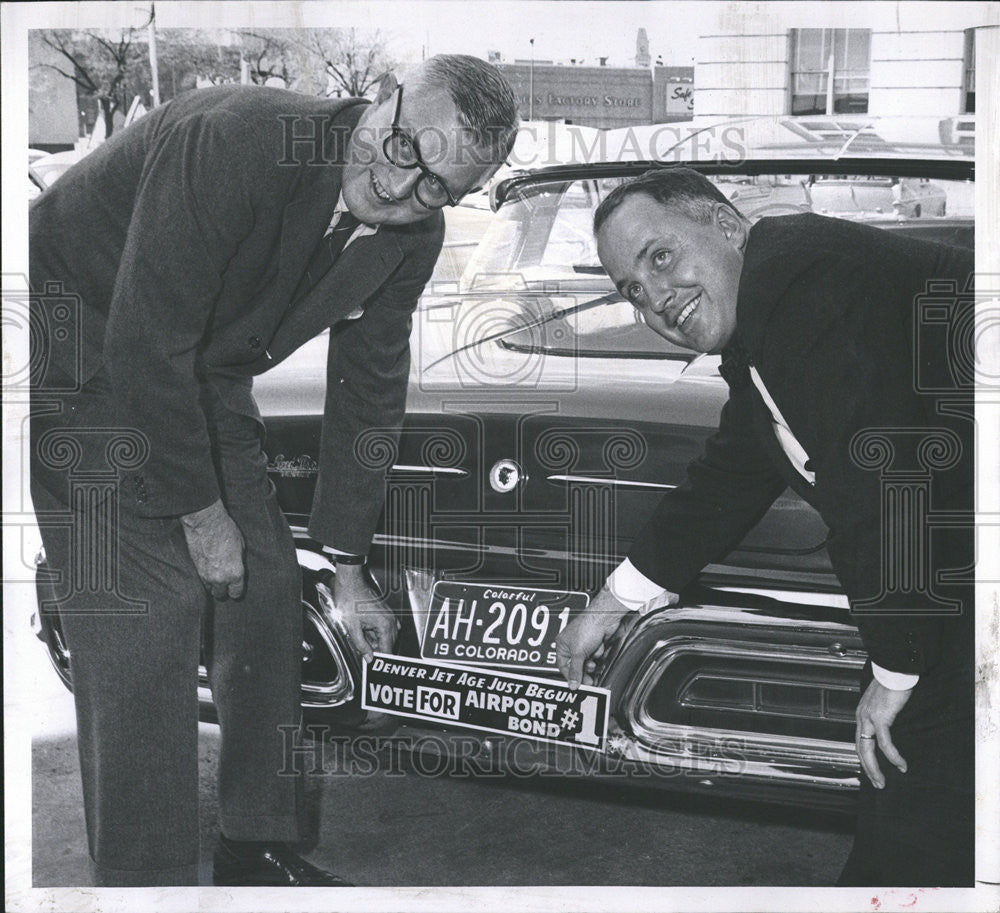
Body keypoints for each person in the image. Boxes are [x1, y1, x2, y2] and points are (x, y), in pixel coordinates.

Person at [29, 54, 518, 887]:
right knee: (150, 608)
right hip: (75, 339)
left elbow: (370, 383)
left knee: (266, 583)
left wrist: (351, 565)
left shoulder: (413, 233)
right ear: (386, 95)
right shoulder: (237, 143)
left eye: (441, 186)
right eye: (403, 148)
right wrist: (199, 514)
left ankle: (254, 845)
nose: (403, 191)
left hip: (193, 360)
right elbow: (143, 344)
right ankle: (145, 882)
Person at [555, 167, 974, 887]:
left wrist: (895, 668)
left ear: (725, 225)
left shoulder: (799, 284)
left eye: (660, 257)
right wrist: (612, 601)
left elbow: (881, 485)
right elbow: (733, 470)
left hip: (956, 594)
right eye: (631, 288)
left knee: (915, 832)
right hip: (957, 577)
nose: (655, 298)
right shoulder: (768, 315)